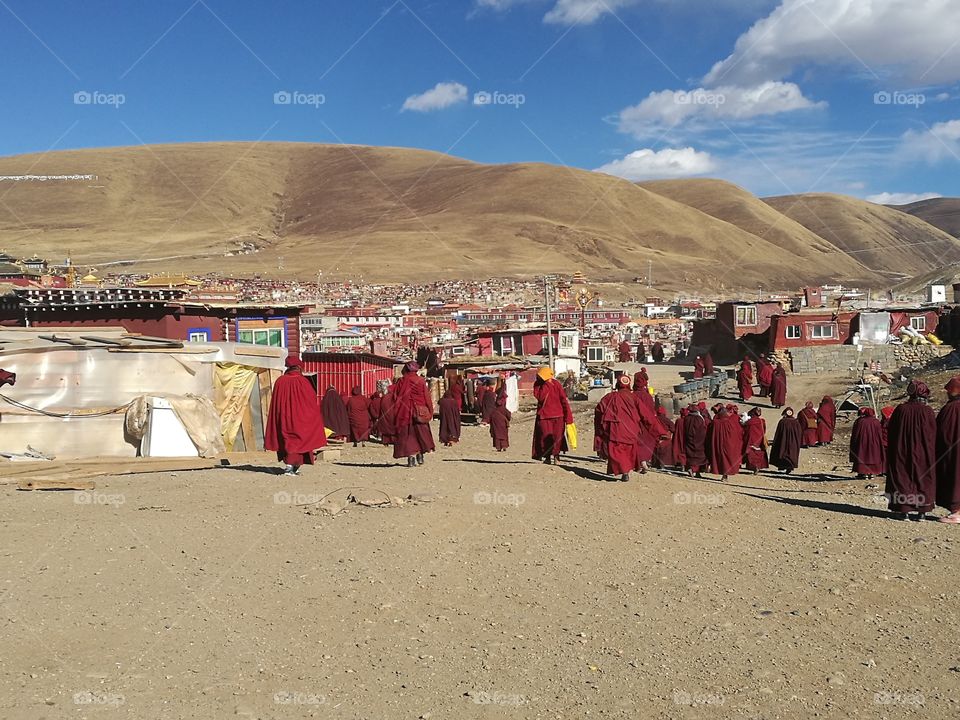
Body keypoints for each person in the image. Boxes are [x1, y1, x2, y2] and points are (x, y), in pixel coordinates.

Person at [264, 356, 328, 475]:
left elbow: (276, 403)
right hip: (300, 418)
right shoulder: (303, 382)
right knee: (299, 440)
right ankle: (290, 466)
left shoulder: (280, 381)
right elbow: (311, 401)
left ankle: (294, 466)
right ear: (299, 366)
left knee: (288, 439)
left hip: (284, 417)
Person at [886, 381, 936, 521]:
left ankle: (904, 511)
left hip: (902, 451)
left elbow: (892, 430)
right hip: (924, 453)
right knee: (923, 478)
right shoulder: (927, 411)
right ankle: (922, 512)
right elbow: (932, 433)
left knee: (903, 477)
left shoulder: (901, 409)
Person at [594, 375, 652, 481]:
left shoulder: (609, 397)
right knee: (628, 451)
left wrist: (601, 426)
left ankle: (624, 471)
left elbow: (599, 409)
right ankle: (626, 471)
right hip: (631, 431)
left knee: (618, 452)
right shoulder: (633, 397)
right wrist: (654, 427)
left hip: (615, 430)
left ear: (617, 384)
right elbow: (646, 415)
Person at [386, 362, 436, 468]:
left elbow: (396, 397)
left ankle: (411, 458)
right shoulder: (421, 381)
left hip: (404, 413)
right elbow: (426, 397)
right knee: (421, 434)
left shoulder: (401, 381)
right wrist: (430, 411)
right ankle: (420, 455)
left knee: (408, 436)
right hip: (419, 412)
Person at [532, 367, 573, 465]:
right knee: (545, 437)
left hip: (558, 416)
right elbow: (540, 397)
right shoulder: (538, 385)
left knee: (557, 437)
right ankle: (547, 457)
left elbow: (563, 400)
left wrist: (568, 417)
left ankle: (556, 456)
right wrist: (546, 384)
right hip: (544, 417)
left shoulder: (557, 384)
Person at [936, 377, 960, 524]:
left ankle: (957, 511)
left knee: (955, 477)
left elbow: (943, 432)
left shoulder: (951, 408)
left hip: (954, 452)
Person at [708, 406, 742, 480]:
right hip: (728, 445)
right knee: (726, 459)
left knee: (719, 458)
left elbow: (709, 433)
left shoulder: (715, 423)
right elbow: (736, 434)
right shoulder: (730, 423)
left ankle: (723, 473)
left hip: (717, 444)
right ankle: (725, 474)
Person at [850, 407, 884, 479]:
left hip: (862, 443)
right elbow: (879, 434)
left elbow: (855, 433)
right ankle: (872, 473)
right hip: (874, 443)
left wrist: (855, 442)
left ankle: (862, 473)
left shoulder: (860, 421)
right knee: (873, 457)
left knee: (862, 456)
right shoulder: (876, 421)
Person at [769, 408, 801, 474]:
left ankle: (782, 466)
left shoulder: (782, 421)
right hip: (793, 442)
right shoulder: (796, 422)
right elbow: (799, 433)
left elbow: (778, 432)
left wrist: (777, 441)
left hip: (783, 441)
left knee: (782, 452)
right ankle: (790, 467)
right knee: (791, 454)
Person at [683, 403, 709, 478]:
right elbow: (702, 429)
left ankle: (693, 470)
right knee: (700, 456)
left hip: (689, 439)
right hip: (699, 440)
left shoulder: (687, 418)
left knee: (690, 455)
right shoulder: (699, 419)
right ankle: (695, 471)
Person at [742, 407, 769, 473]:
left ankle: (753, 466)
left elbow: (745, 430)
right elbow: (764, 430)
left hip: (750, 440)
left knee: (751, 453)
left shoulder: (749, 422)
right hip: (760, 440)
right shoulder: (761, 421)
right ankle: (758, 466)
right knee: (759, 453)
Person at [671, 406, 688, 470]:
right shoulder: (688, 420)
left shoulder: (678, 420)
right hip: (685, 437)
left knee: (678, 450)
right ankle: (684, 464)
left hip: (678, 437)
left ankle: (679, 463)